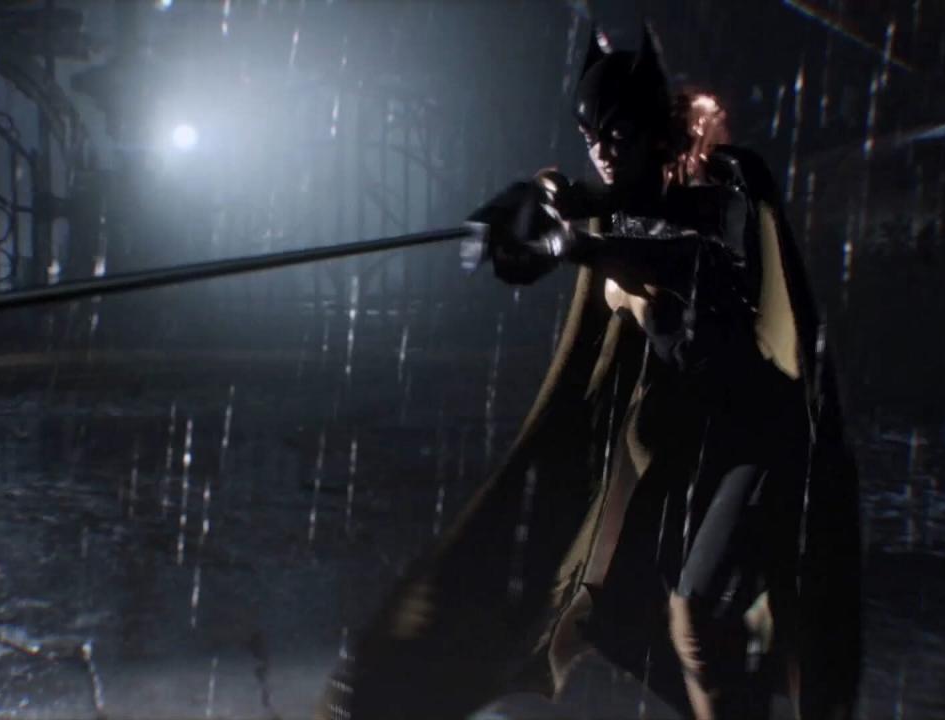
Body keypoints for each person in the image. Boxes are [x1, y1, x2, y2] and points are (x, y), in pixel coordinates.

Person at [317, 25, 861, 720]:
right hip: (687, 440)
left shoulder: (721, 185)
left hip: (758, 434)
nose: (602, 152)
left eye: (618, 135)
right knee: (620, 610)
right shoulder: (614, 201)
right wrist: (529, 207)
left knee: (699, 609)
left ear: (657, 133)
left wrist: (573, 243)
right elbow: (563, 212)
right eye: (591, 137)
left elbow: (692, 261)